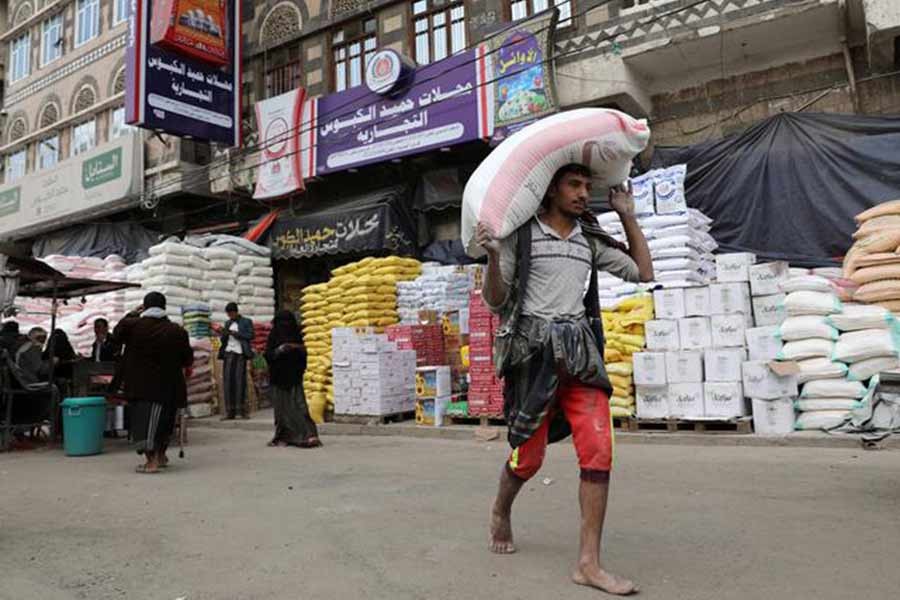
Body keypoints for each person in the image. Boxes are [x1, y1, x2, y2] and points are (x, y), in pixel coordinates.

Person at [476, 164, 653, 595]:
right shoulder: (522, 235)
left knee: (599, 450)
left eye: (587, 186)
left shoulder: (589, 240)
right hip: (534, 357)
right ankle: (501, 509)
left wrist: (627, 214)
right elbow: (496, 301)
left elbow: (642, 272)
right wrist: (495, 256)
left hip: (579, 355)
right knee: (528, 458)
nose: (582, 193)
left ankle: (589, 563)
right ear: (551, 189)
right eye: (574, 185)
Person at [112, 292, 193, 474]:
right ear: (164, 307)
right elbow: (187, 360)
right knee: (165, 424)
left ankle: (152, 462)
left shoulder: (132, 326)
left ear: (145, 306)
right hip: (171, 388)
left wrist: (132, 313)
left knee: (145, 426)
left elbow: (116, 336)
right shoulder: (177, 331)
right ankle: (162, 457)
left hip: (142, 388)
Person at [264, 310, 321, 448]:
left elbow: (304, 354)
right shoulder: (274, 336)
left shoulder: (296, 336)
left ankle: (308, 435)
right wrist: (279, 351)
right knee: (282, 411)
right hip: (279, 379)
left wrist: (294, 349)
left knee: (299, 407)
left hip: (294, 378)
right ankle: (285, 436)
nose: (285, 326)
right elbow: (268, 355)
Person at [218, 302, 254, 420]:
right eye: (228, 314)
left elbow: (250, 335)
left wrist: (237, 334)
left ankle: (240, 410)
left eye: (231, 313)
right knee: (228, 381)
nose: (230, 316)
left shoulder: (246, 321)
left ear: (236, 312)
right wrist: (223, 333)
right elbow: (224, 339)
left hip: (240, 353)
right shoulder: (228, 323)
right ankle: (230, 411)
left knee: (239, 381)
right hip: (229, 353)